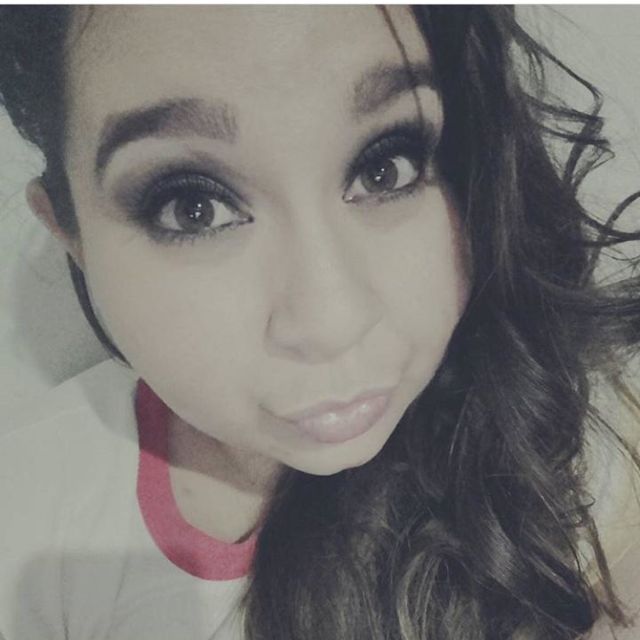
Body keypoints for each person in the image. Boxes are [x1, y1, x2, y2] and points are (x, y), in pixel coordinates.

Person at [0, 5, 639, 639]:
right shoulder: (29, 510)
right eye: (193, 207)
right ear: (71, 234)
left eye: (385, 168)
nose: (332, 322)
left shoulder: (583, 451)